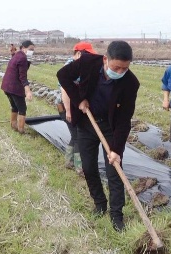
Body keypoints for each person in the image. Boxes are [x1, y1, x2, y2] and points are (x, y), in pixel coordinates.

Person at [57, 41, 140, 232]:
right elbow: (63, 76)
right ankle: (100, 204)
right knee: (88, 167)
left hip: (110, 128)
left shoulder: (130, 83)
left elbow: (124, 119)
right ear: (105, 59)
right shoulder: (88, 62)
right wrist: (79, 100)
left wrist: (117, 150)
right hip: (87, 123)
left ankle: (116, 215)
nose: (119, 72)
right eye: (116, 67)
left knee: (114, 171)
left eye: (124, 69)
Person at [56, 42, 97, 175]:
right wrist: (68, 111)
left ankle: (69, 162)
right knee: (79, 136)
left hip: (73, 108)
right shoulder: (70, 67)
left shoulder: (81, 66)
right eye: (88, 55)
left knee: (75, 135)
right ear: (79, 53)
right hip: (67, 108)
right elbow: (65, 91)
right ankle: (80, 168)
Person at [1, 40, 35, 134]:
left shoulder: (18, 55)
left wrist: (28, 61)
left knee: (14, 106)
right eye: (30, 49)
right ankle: (21, 130)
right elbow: (23, 77)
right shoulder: (22, 58)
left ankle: (13, 125)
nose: (32, 51)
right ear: (23, 48)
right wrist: (28, 91)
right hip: (14, 87)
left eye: (33, 50)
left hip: (7, 86)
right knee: (22, 109)